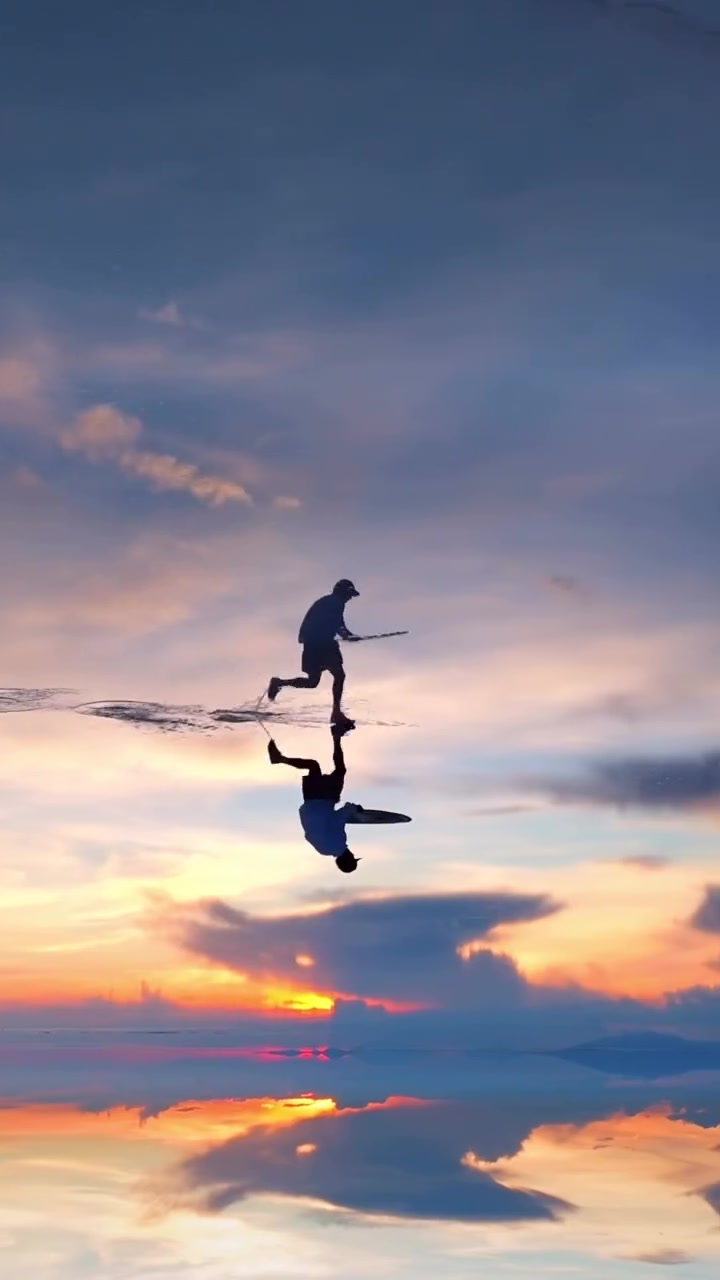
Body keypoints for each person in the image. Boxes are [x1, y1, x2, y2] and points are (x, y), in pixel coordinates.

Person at [266, 579, 360, 730]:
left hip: (312, 644)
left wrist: (347, 634)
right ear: (343, 593)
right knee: (339, 675)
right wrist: (347, 635)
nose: (350, 598)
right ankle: (336, 713)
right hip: (322, 644)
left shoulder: (328, 602)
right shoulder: (335, 603)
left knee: (312, 682)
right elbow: (337, 623)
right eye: (349, 595)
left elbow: (336, 623)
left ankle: (279, 683)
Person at [267, 724, 361, 873]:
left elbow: (338, 818)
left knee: (339, 770)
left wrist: (353, 808)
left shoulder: (339, 844)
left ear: (348, 859)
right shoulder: (323, 850)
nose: (353, 853)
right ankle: (279, 759)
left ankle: (336, 736)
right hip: (309, 802)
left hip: (323, 800)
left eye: (353, 857)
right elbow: (312, 833)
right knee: (313, 766)